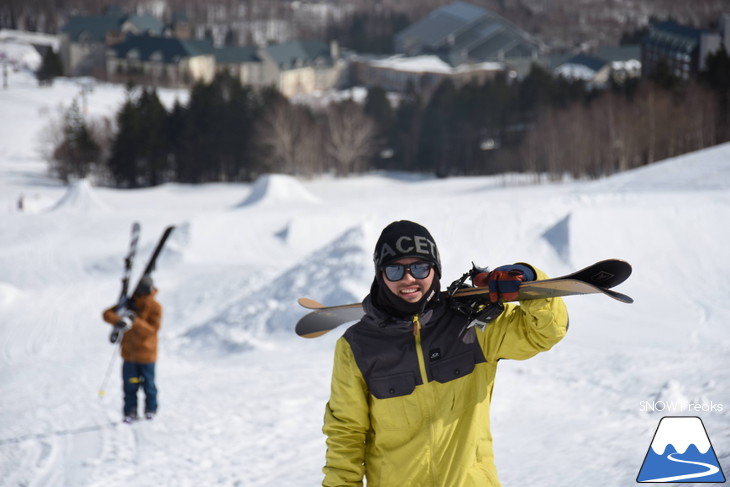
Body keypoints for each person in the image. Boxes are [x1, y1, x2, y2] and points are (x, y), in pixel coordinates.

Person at [322, 220, 569, 487]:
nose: (408, 278)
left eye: (419, 267)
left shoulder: (473, 323)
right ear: (380, 274)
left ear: (435, 269)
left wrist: (530, 281)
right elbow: (345, 435)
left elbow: (544, 332)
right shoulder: (357, 347)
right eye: (395, 269)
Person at [103, 275, 162, 423]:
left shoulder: (155, 307)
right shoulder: (129, 304)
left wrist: (135, 322)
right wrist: (120, 321)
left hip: (147, 356)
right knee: (130, 384)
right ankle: (130, 411)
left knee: (148, 385)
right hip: (129, 355)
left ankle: (151, 409)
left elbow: (153, 329)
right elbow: (107, 314)